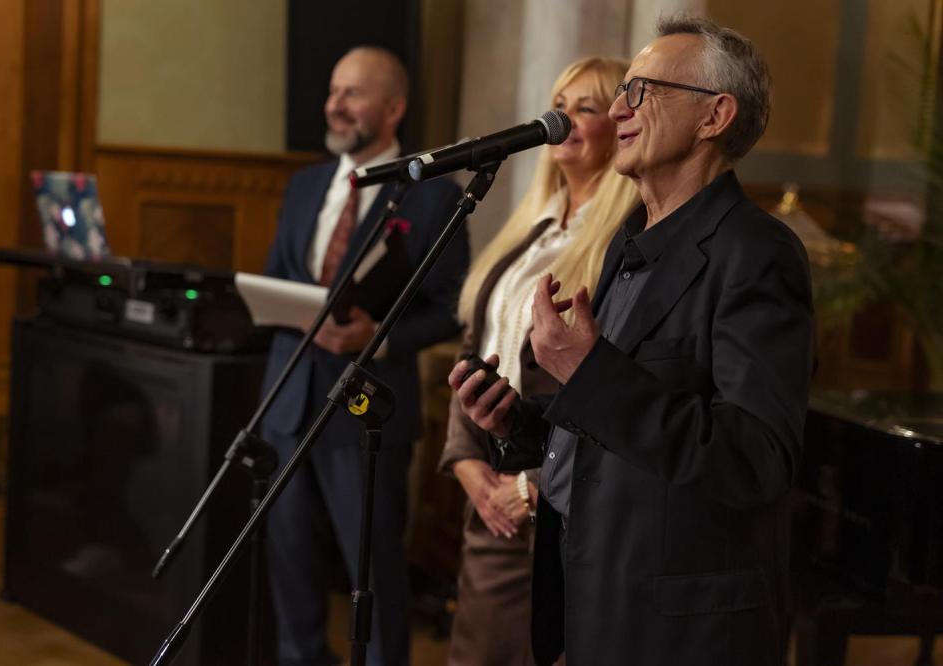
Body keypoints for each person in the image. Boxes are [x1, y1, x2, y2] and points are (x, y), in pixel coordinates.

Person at [450, 15, 813, 666]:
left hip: (682, 628)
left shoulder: (756, 253)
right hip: (598, 601)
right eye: (623, 92)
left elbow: (755, 458)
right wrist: (521, 424)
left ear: (714, 116)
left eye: (642, 90)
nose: (620, 108)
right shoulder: (628, 242)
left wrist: (587, 372)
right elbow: (616, 426)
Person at [260, 46, 469, 666]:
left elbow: (453, 308)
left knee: (372, 575)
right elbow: (278, 277)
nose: (335, 105)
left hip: (364, 416)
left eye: (352, 93)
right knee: (289, 563)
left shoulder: (434, 197)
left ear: (393, 108)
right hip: (287, 404)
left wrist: (378, 335)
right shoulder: (303, 186)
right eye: (333, 91)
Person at [437, 56, 639, 666]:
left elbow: (607, 385)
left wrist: (532, 486)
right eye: (559, 105)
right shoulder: (535, 229)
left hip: (557, 500)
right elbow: (476, 347)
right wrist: (466, 463)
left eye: (586, 107)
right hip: (489, 484)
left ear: (621, 125)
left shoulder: (622, 241)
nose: (565, 119)